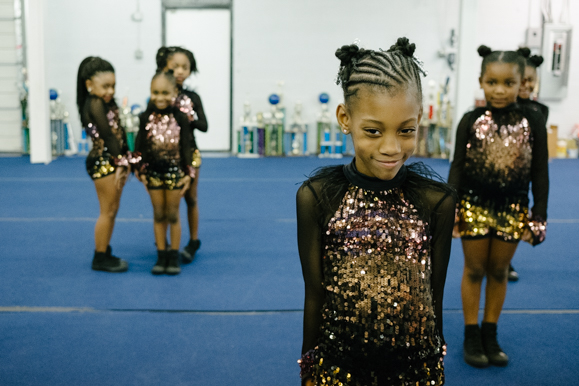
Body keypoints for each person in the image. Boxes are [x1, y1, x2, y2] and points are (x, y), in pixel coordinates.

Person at [296, 38, 456, 386]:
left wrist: (436, 357)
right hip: (339, 363)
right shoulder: (317, 197)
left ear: (418, 119)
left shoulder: (435, 201)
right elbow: (314, 292)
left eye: (406, 131)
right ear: (345, 118)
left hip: (414, 367)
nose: (391, 147)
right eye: (373, 131)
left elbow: (435, 291)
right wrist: (309, 365)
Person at [448, 45, 549, 368]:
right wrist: (451, 209)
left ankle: (490, 332)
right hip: (474, 204)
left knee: (499, 270)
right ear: (481, 81)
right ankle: (471, 333)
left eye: (508, 83)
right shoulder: (470, 119)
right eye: (493, 82)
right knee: (475, 269)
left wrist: (539, 215)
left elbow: (540, 171)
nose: (500, 90)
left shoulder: (533, 119)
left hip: (513, 206)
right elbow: (457, 167)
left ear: (522, 83)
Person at [133, 70, 195, 275]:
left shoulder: (181, 118)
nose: (160, 97)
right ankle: (161, 255)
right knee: (159, 214)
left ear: (174, 92)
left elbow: (186, 146)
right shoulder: (145, 117)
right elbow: (140, 145)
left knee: (173, 214)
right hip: (153, 173)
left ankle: (173, 256)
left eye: (165, 93)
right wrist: (139, 168)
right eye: (155, 92)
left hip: (175, 173)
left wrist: (189, 172)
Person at [77, 56, 130, 273]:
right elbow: (108, 136)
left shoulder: (104, 102)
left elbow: (118, 132)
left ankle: (104, 249)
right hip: (103, 162)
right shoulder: (95, 103)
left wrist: (125, 158)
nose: (110, 90)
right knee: (107, 211)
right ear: (89, 85)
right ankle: (99, 256)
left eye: (113, 86)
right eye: (105, 86)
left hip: (112, 160)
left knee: (113, 209)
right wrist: (121, 162)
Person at [156, 46, 208, 263]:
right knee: (167, 204)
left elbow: (204, 125)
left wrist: (187, 118)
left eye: (185, 67)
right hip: (164, 157)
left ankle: (193, 240)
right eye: (175, 66)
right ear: (164, 66)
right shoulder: (159, 92)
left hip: (189, 154)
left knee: (191, 198)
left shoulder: (192, 97)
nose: (180, 71)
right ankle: (165, 244)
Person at [504, 47, 549, 282]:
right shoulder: (503, 107)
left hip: (524, 174)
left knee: (515, 217)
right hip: (500, 170)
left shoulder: (540, 111)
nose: (525, 85)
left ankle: (506, 260)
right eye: (521, 80)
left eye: (530, 80)